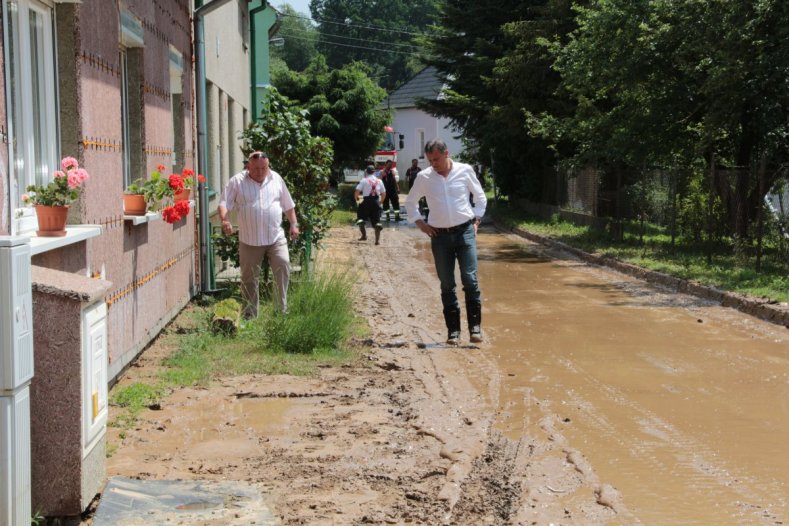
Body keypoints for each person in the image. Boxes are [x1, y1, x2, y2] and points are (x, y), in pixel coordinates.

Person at [404, 138, 487, 344]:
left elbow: (480, 197)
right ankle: (453, 332)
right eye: (430, 160)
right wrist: (421, 224)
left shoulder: (465, 170)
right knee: (447, 283)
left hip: (465, 231)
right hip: (439, 236)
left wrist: (476, 220)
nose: (434, 164)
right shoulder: (424, 177)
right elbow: (411, 202)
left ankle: (475, 328)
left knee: (470, 278)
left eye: (437, 159)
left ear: (446, 153)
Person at [218, 151, 299, 319]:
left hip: (275, 237)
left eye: (264, 168)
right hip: (249, 240)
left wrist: (293, 224)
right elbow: (224, 202)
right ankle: (250, 314)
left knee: (283, 266)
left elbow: (288, 204)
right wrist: (225, 220)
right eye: (256, 168)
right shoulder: (237, 181)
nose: (261, 172)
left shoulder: (276, 178)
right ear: (249, 167)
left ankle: (281, 312)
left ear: (268, 166)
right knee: (249, 278)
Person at [354, 165, 386, 245]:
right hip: (375, 202)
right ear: (374, 172)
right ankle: (377, 241)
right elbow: (383, 194)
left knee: (360, 219)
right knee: (377, 222)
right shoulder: (379, 181)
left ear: (366, 172)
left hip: (366, 202)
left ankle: (364, 236)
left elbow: (357, 191)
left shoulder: (364, 180)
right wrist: (380, 202)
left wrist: (357, 198)